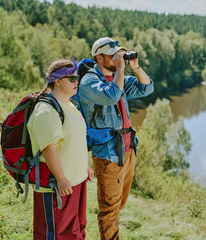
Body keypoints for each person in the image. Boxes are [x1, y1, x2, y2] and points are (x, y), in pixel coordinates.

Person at [77, 37, 154, 239]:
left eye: (119, 55)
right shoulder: (89, 81)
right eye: (113, 56)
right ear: (99, 58)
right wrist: (121, 69)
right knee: (109, 209)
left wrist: (134, 67)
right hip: (108, 153)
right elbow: (111, 95)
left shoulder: (117, 79)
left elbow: (147, 88)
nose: (118, 59)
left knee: (119, 205)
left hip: (127, 151)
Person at [27, 59, 94, 240]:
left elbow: (76, 141)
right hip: (56, 186)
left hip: (76, 182)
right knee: (55, 233)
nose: (76, 82)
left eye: (77, 78)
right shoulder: (45, 110)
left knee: (76, 231)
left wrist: (84, 166)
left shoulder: (70, 104)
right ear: (57, 81)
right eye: (71, 79)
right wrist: (61, 178)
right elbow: (48, 149)